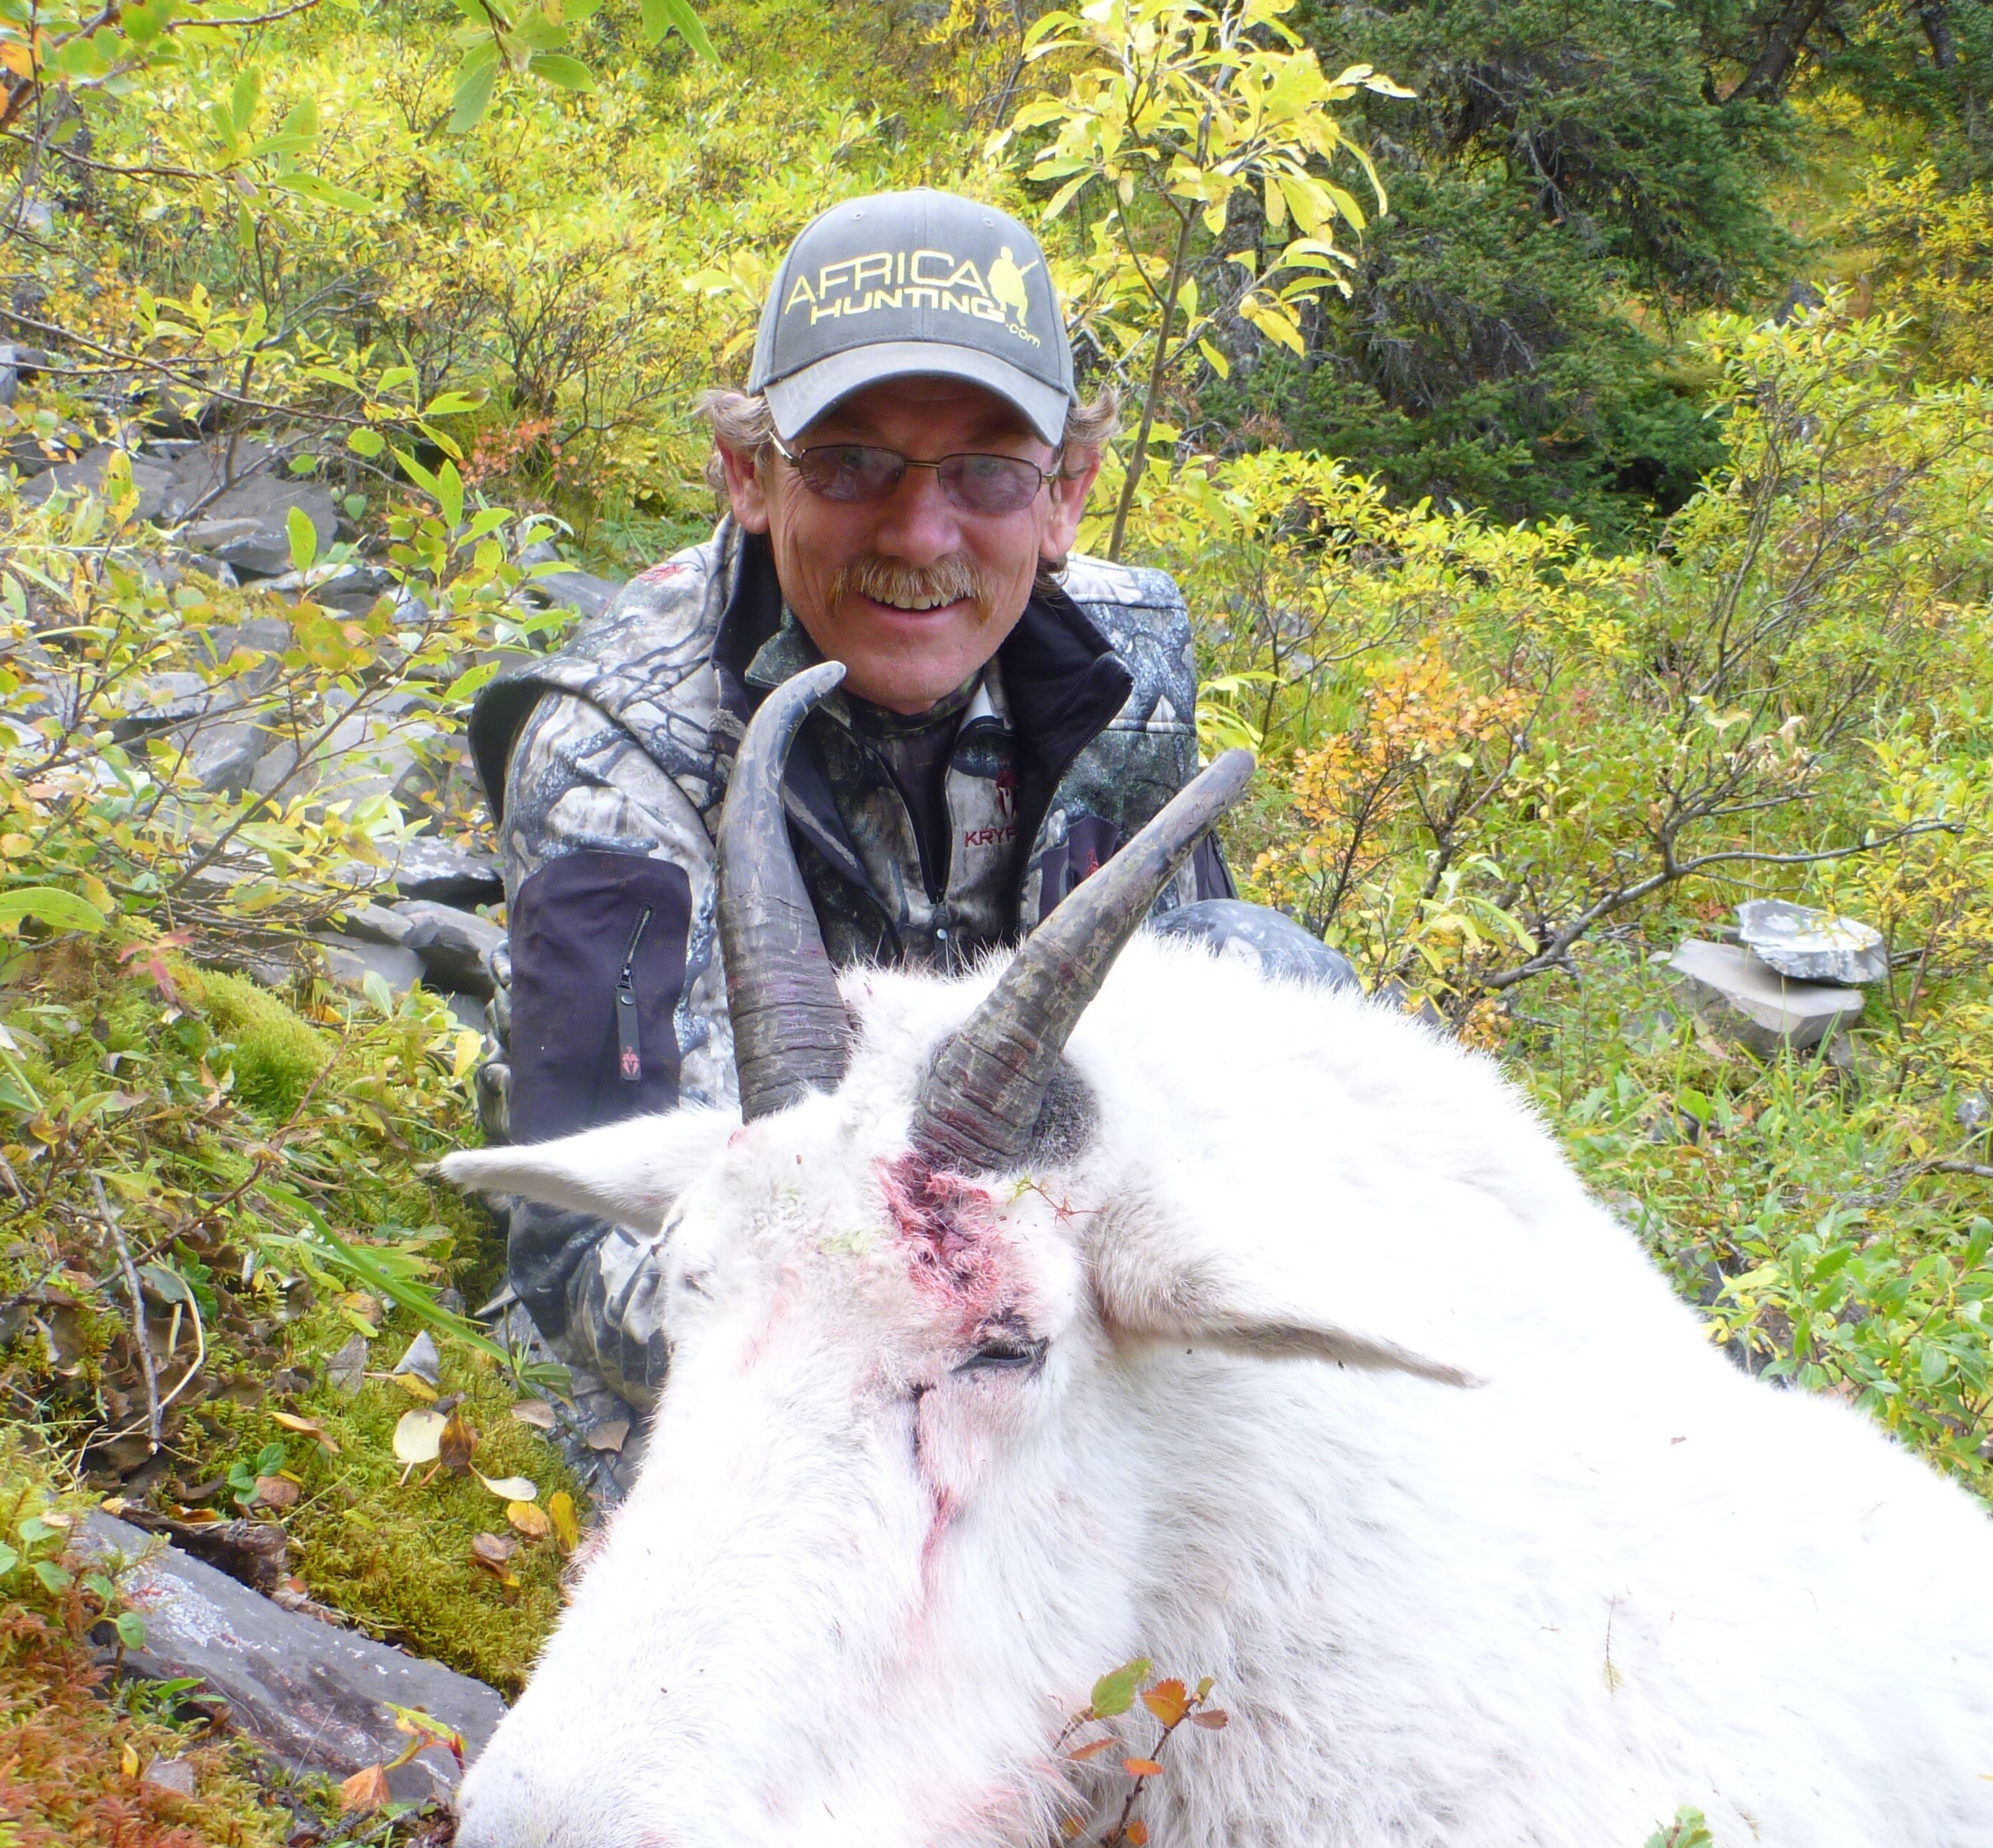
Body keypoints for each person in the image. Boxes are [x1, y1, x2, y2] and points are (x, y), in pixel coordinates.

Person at [463, 188, 1349, 1480]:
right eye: (852, 462)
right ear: (751, 476)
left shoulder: (1127, 662)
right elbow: (579, 1243)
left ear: (1066, 493)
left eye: (986, 470)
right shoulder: (617, 745)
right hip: (795, 1312)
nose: (920, 534)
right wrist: (963, 1337)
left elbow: (1189, 1041)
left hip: (1028, 1273)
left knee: (1272, 967)